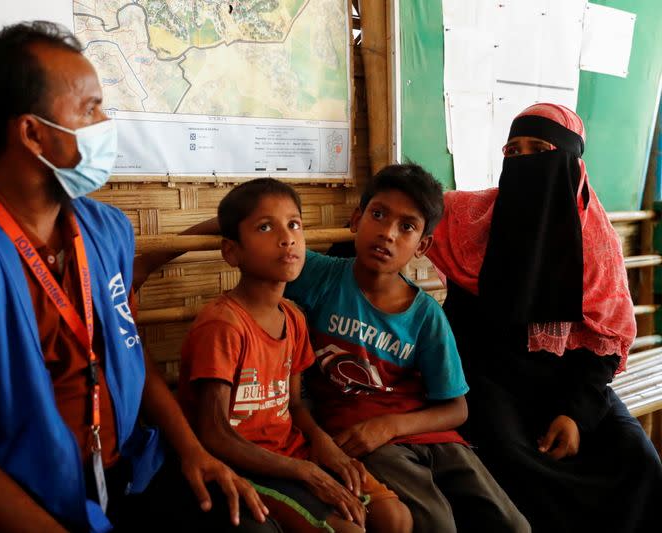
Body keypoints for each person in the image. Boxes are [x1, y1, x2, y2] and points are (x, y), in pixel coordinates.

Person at [0, 21, 272, 533]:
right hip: (13, 501)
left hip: (124, 476)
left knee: (243, 520)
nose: (106, 121)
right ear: (33, 133)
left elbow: (128, 353)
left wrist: (193, 451)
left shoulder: (105, 232)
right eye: (90, 108)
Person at [428, 102, 662, 533]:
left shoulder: (596, 243)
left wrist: (574, 414)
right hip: (484, 378)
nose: (523, 162)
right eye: (512, 152)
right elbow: (407, 206)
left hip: (566, 382)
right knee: (516, 461)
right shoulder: (468, 219)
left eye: (539, 149)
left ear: (571, 163)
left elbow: (604, 345)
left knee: (637, 459)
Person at [283, 164, 529, 532]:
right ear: (356, 219)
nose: (387, 234)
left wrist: (389, 425)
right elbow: (248, 224)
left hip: (425, 434)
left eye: (407, 227)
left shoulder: (425, 315)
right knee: (436, 524)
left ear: (422, 246)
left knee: (512, 525)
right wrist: (171, 248)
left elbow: (456, 407)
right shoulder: (323, 276)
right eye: (378, 215)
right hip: (360, 437)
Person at [176, 178, 412, 533]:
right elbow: (214, 433)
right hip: (247, 464)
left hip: (293, 451)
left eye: (294, 224)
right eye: (265, 227)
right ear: (232, 251)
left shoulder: (294, 317)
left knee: (396, 518)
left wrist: (325, 447)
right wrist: (305, 472)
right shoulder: (223, 325)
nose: (287, 238)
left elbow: (294, 405)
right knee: (349, 530)